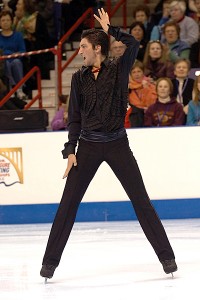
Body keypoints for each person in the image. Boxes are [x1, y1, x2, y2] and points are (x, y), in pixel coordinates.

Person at [40, 8, 177, 280]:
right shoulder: (78, 79)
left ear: (97, 48)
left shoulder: (118, 68)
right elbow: (75, 119)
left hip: (117, 144)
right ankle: (49, 263)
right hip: (88, 147)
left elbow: (133, 44)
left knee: (141, 201)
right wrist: (70, 151)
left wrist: (110, 28)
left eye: (83, 47)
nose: (79, 51)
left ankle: (167, 257)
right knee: (67, 205)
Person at [0, 10, 26, 99]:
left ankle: (19, 89)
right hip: (3, 62)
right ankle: (10, 88)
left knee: (16, 62)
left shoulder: (18, 36)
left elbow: (22, 50)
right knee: (6, 63)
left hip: (15, 59)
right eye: (3, 20)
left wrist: (15, 54)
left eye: (7, 20)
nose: (5, 22)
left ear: (11, 21)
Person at [125, 60, 157, 128]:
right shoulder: (127, 88)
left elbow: (151, 102)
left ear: (143, 72)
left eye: (139, 71)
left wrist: (146, 89)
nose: (137, 74)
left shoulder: (151, 85)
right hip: (135, 116)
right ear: (130, 75)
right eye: (134, 72)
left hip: (149, 113)